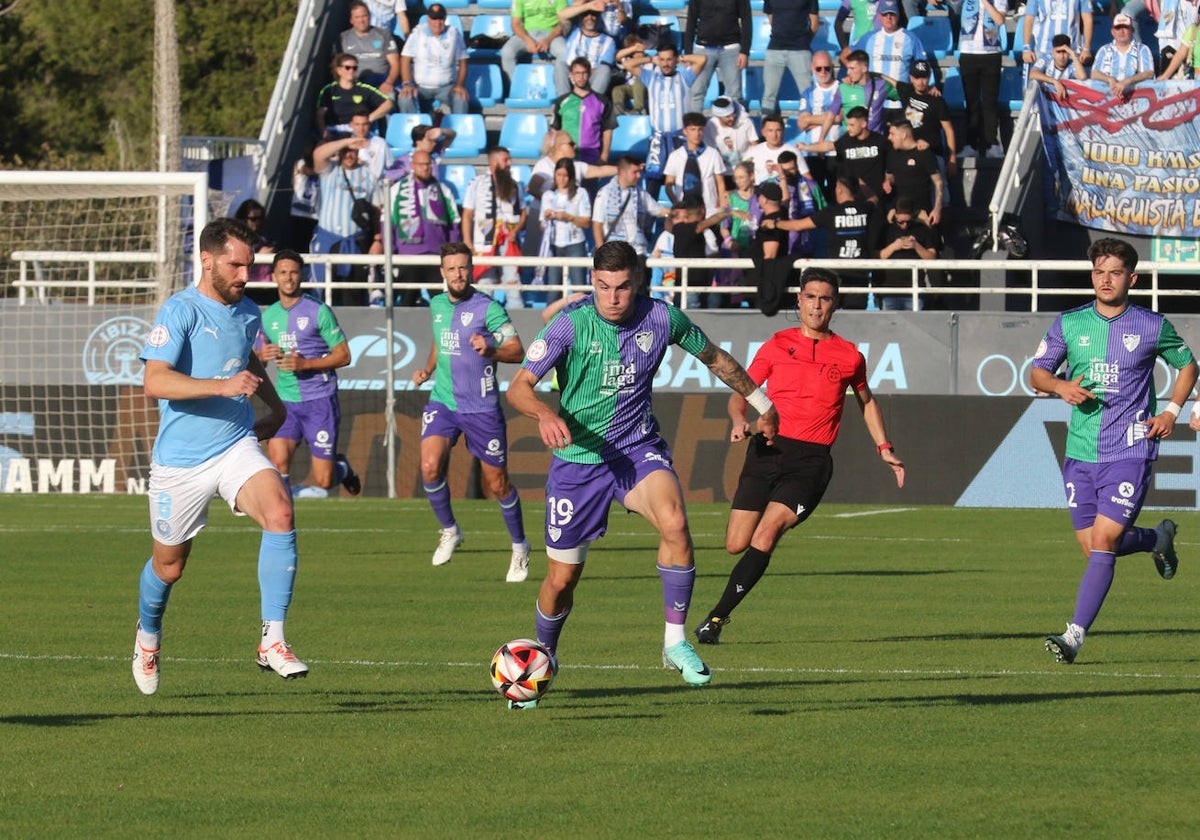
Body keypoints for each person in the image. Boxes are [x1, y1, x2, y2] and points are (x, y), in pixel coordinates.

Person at [504, 239, 774, 707]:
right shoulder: (570, 324)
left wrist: (762, 403)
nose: (613, 297)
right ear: (592, 282)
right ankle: (542, 656)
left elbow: (714, 358)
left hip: (636, 450)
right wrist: (545, 416)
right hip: (578, 462)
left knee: (675, 523)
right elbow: (519, 386)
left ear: (638, 283)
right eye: (604, 286)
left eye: (623, 287)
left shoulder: (662, 318)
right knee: (562, 581)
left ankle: (674, 641)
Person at [132, 218, 306, 697]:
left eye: (249, 265)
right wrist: (221, 387)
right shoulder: (180, 310)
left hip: (234, 443)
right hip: (181, 462)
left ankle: (272, 639)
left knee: (282, 511)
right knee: (169, 567)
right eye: (236, 265)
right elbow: (155, 381)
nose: (245, 274)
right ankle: (148, 637)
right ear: (207, 260)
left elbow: (247, 363)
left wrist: (275, 406)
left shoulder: (249, 311)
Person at [694, 267, 905, 645]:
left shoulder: (849, 356)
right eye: (810, 296)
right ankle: (719, 613)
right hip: (766, 449)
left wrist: (885, 448)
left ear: (834, 305)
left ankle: (716, 618)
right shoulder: (776, 345)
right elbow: (741, 391)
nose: (816, 305)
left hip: (810, 462)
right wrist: (740, 419)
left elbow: (867, 402)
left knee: (768, 532)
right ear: (799, 300)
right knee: (735, 543)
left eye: (825, 298)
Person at [1033, 237, 1197, 664]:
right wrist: (1060, 386)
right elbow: (1037, 373)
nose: (1106, 280)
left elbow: (1187, 364)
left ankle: (1073, 636)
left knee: (1104, 540)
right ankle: (1156, 539)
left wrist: (1172, 411)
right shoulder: (1070, 323)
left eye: (1116, 273)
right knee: (1094, 548)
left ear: (1132, 278)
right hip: (1080, 451)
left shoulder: (1151, 325)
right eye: (1100, 272)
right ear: (1092, 276)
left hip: (1131, 448)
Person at [412, 242, 532, 582]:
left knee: (498, 483)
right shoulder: (435, 305)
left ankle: (520, 548)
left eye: (464, 267)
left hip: (481, 408)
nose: (458, 274)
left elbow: (517, 350)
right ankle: (450, 530)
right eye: (451, 268)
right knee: (429, 466)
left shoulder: (487, 308)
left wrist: (491, 349)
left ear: (471, 269)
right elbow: (440, 340)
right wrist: (428, 370)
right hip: (444, 401)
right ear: (442, 272)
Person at [257, 250, 361, 498]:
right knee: (278, 462)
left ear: (301, 276)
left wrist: (305, 364)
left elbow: (344, 355)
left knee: (324, 480)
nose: (288, 278)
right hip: (285, 402)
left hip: (319, 401)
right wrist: (263, 356)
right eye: (283, 272)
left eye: (293, 272)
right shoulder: (268, 316)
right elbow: (259, 357)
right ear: (274, 277)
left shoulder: (318, 311)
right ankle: (282, 522)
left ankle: (342, 468)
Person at [618, 41, 707, 196]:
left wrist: (682, 57)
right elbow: (628, 64)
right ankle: (647, 219)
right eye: (662, 60)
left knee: (681, 183)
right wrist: (649, 59)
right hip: (658, 139)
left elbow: (702, 60)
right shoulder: (651, 77)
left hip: (679, 138)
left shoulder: (685, 77)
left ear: (675, 60)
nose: (665, 64)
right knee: (653, 184)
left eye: (669, 59)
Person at [309, 134, 384, 301]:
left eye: (353, 151)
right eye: (345, 151)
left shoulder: (369, 176)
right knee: (323, 292)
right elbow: (318, 155)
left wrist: (377, 240)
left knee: (354, 294)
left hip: (356, 243)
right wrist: (347, 141)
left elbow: (377, 212)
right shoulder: (330, 170)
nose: (349, 155)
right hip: (329, 241)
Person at [391, 149, 461, 306]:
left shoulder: (443, 190)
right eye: (421, 164)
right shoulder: (397, 190)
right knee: (407, 302)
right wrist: (391, 254)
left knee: (444, 304)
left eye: (428, 164)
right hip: (407, 257)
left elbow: (454, 224)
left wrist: (450, 254)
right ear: (412, 166)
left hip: (436, 256)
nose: (425, 168)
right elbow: (387, 223)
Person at [462, 146, 527, 307]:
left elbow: (524, 212)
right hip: (484, 242)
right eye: (506, 160)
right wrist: (467, 242)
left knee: (513, 284)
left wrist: (517, 230)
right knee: (485, 284)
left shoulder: (515, 186)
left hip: (509, 242)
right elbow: (467, 214)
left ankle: (518, 323)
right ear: (493, 162)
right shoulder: (476, 183)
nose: (510, 163)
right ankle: (483, 326)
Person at [956, 0, 1008, 159]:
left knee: (989, 102)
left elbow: (1000, 20)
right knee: (971, 101)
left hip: (990, 52)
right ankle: (971, 144)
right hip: (968, 53)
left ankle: (991, 143)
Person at [591, 154, 670, 258]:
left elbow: (660, 210)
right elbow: (597, 224)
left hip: (637, 252)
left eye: (639, 172)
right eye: (635, 172)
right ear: (623, 172)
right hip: (614, 251)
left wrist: (679, 213)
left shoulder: (641, 193)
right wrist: (602, 252)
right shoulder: (605, 193)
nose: (639, 176)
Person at [397, 4, 469, 115]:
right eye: (434, 18)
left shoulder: (454, 34)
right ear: (428, 19)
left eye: (440, 18)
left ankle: (458, 131)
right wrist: (407, 84)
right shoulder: (418, 33)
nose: (437, 22)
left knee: (461, 97)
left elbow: (463, 62)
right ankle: (414, 130)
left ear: (445, 19)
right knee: (405, 98)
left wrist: (459, 85)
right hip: (420, 86)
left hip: (447, 87)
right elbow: (405, 59)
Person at [684, 0, 754, 112]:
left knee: (735, 95)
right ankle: (695, 127)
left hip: (731, 49)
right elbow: (691, 21)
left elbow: (747, 21)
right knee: (696, 93)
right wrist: (688, 53)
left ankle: (736, 128)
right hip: (703, 49)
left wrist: (745, 51)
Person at [538, 158, 593, 297]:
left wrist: (569, 217)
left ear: (571, 176)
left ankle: (582, 317)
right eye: (558, 175)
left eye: (565, 176)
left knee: (578, 287)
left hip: (575, 243)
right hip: (554, 246)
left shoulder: (581, 193)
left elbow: (586, 222)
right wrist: (546, 218)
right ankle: (554, 318)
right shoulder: (548, 196)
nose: (561, 179)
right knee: (553, 289)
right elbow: (541, 227)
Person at [876, 197, 941, 310]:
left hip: (914, 290)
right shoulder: (886, 230)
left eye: (908, 222)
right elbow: (877, 256)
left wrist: (916, 246)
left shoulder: (922, 230)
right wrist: (894, 247)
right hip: (889, 291)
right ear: (895, 215)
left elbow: (932, 257)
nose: (905, 225)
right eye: (901, 222)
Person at [795, 50, 843, 200]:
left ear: (832, 67)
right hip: (813, 152)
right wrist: (831, 117)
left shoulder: (842, 89)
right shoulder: (808, 93)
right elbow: (802, 123)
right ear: (812, 69)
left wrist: (812, 119)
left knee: (837, 193)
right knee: (816, 195)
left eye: (827, 68)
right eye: (819, 69)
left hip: (836, 151)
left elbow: (841, 117)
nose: (823, 72)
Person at [551, 58, 619, 166]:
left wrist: (604, 156)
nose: (581, 77)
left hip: (592, 158)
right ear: (571, 75)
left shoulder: (602, 101)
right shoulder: (562, 101)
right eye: (577, 73)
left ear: (590, 74)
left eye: (584, 73)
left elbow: (608, 130)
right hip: (566, 158)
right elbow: (555, 130)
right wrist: (553, 153)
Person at [760, 0, 820, 116]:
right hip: (775, 48)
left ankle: (813, 130)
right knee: (768, 96)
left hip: (800, 50)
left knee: (808, 94)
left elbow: (814, 22)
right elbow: (771, 17)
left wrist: (803, 41)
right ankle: (767, 132)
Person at [662, 111, 727, 215]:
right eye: (693, 129)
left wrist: (722, 206)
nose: (697, 134)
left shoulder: (713, 154)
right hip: (684, 208)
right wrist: (677, 204)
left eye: (700, 129)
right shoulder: (675, 156)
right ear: (685, 131)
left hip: (709, 208)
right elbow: (668, 184)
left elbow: (720, 182)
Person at [316, 53, 393, 138]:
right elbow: (320, 114)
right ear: (339, 70)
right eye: (347, 68)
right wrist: (323, 132)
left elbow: (388, 103)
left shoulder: (364, 89)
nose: (351, 71)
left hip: (357, 130)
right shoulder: (329, 90)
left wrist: (368, 119)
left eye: (354, 68)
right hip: (334, 130)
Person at [852, 0, 929, 84]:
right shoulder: (869, 37)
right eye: (885, 14)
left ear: (898, 15)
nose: (889, 17)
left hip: (901, 94)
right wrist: (853, 76)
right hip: (874, 94)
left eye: (892, 14)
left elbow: (923, 65)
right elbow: (847, 55)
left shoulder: (911, 38)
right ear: (879, 16)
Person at [884, 119, 943, 225]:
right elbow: (890, 175)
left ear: (903, 135)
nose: (889, 137)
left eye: (892, 134)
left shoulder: (924, 153)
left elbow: (938, 182)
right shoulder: (892, 154)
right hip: (899, 213)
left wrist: (937, 209)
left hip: (921, 212)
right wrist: (888, 181)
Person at [337, 0, 402, 95]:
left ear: (369, 17)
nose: (361, 20)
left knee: (390, 97)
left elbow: (395, 63)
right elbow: (337, 67)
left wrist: (388, 83)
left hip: (382, 81)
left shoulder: (384, 35)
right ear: (351, 20)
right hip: (356, 84)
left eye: (364, 16)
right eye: (357, 17)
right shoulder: (343, 38)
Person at [555, 2, 618, 97]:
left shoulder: (609, 41)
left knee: (605, 69)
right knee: (560, 63)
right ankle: (565, 102)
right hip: (571, 77)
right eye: (586, 14)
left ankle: (591, 104)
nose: (590, 17)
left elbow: (603, 68)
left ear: (599, 18)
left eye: (593, 14)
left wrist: (583, 73)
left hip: (591, 79)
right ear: (581, 17)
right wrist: (587, 6)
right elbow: (562, 15)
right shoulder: (573, 31)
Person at [503, 0, 569, 88]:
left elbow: (563, 23)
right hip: (526, 33)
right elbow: (515, 24)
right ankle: (517, 90)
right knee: (507, 52)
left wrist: (548, 40)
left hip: (551, 34)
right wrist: (528, 40)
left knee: (565, 52)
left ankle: (562, 93)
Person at [835, 49, 900, 135]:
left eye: (852, 68)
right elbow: (832, 114)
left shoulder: (881, 85)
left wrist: (881, 75)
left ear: (864, 68)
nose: (848, 72)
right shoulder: (845, 87)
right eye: (848, 68)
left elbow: (904, 92)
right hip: (851, 141)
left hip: (874, 142)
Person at [1090, 14, 1156, 98]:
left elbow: (1149, 73)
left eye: (1125, 27)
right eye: (1118, 28)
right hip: (1107, 99)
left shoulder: (1143, 49)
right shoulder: (1104, 50)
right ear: (1112, 32)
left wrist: (1127, 82)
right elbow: (1094, 73)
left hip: (1138, 99)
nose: (1122, 31)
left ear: (1132, 30)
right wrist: (1110, 79)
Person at [1021, 0, 1093, 73]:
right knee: (1041, 82)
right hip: (1044, 51)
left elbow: (1087, 19)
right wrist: (1026, 48)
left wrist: (1086, 48)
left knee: (1071, 83)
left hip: (1071, 51)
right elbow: (1028, 20)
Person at [742, 114, 808, 185]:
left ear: (783, 131)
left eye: (778, 130)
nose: (774, 135)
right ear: (763, 132)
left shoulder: (793, 152)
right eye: (770, 130)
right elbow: (742, 175)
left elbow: (806, 177)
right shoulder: (753, 152)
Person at [704, 96, 759, 177]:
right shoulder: (711, 125)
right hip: (724, 171)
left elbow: (756, 145)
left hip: (746, 170)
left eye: (733, 114)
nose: (732, 118)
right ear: (718, 117)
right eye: (727, 117)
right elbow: (708, 150)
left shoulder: (746, 122)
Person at [385, 123, 457, 181]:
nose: (434, 143)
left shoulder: (435, 153)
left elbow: (452, 135)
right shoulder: (403, 161)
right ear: (418, 142)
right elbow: (388, 179)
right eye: (430, 140)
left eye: (434, 140)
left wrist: (442, 131)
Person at [1030, 34, 1089, 98]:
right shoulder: (1047, 58)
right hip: (1046, 99)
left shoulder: (1072, 64)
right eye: (1058, 52)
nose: (1062, 56)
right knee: (1033, 85)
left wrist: (1072, 54)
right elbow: (1032, 74)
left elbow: (1082, 77)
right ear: (1053, 51)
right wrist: (1055, 81)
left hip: (1063, 102)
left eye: (1065, 52)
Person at [347, 109, 393, 180]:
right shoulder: (344, 145)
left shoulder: (381, 143)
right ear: (351, 125)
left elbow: (390, 166)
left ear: (369, 124)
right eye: (357, 124)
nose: (361, 128)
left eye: (364, 124)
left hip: (376, 186)